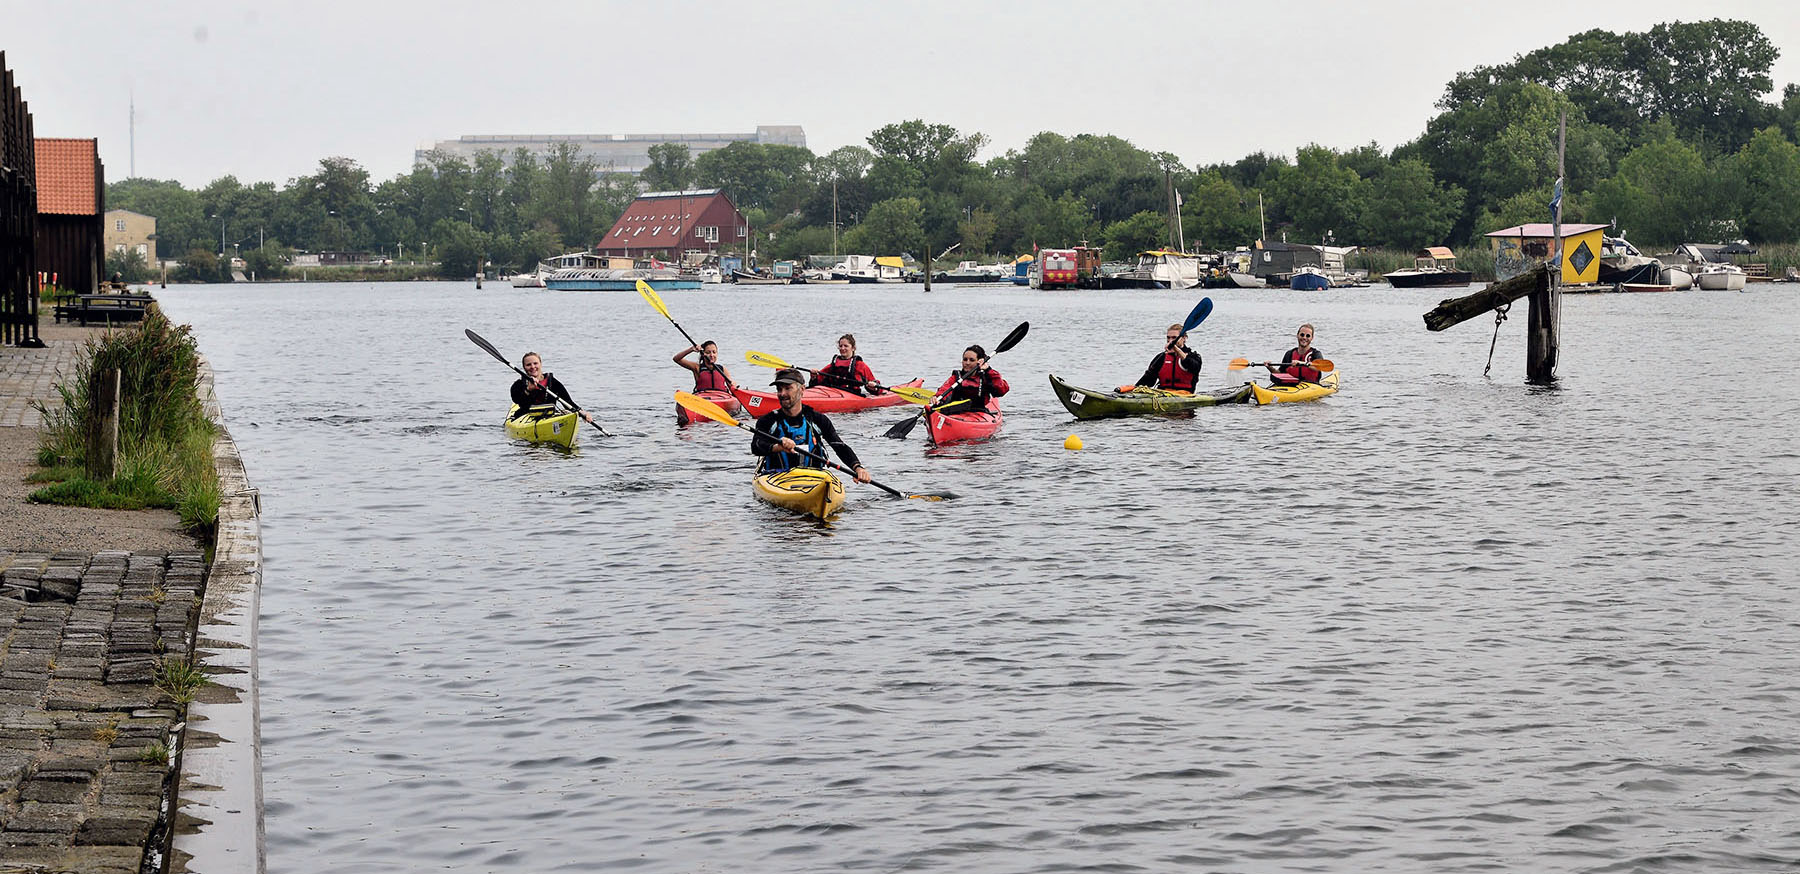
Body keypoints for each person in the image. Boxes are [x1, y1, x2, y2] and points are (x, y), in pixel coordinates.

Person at [752, 369, 872, 483]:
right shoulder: (768, 420)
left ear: (802, 389)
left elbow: (839, 446)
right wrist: (778, 446)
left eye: (788, 388)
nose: (782, 394)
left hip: (813, 478)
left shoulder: (817, 419)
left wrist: (858, 468)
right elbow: (756, 446)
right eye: (779, 389)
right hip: (777, 478)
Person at [510, 351, 594, 424]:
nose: (532, 367)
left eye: (535, 363)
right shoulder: (519, 384)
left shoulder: (553, 382)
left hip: (549, 416)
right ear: (524, 368)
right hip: (527, 416)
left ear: (540, 364)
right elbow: (517, 400)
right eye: (528, 365)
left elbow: (567, 402)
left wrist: (582, 413)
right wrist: (528, 390)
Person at [935, 345, 1010, 410]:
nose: (967, 363)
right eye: (965, 359)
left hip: (979, 413)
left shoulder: (986, 376)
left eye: (972, 360)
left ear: (979, 362)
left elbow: (1001, 391)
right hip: (956, 412)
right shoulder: (956, 377)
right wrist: (937, 398)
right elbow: (944, 389)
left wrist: (988, 370)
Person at [1135, 323, 1203, 391]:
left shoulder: (1194, 357)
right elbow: (1148, 380)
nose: (1170, 341)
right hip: (1163, 395)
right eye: (1168, 337)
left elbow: (1193, 366)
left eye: (1174, 338)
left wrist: (1176, 350)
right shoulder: (1161, 357)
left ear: (1184, 338)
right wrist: (1134, 390)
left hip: (1186, 395)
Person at [811, 333, 879, 395]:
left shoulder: (860, 365)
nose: (842, 348)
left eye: (846, 346)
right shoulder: (833, 364)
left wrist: (874, 386)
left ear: (853, 348)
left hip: (852, 394)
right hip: (832, 392)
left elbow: (873, 381)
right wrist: (813, 376)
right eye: (840, 346)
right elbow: (816, 382)